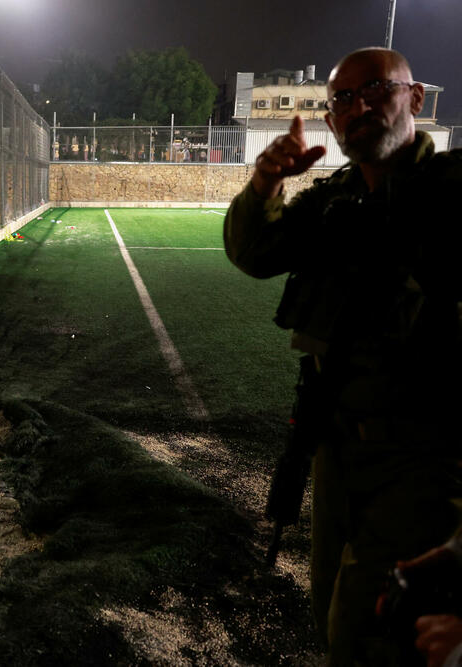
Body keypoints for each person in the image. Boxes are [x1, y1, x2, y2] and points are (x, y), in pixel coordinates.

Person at [223, 47, 462, 665]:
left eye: (375, 89)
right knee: (331, 611)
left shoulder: (452, 194)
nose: (358, 107)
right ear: (330, 122)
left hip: (423, 464)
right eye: (342, 100)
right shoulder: (335, 200)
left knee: (369, 633)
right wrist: (266, 181)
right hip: (336, 453)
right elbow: (254, 253)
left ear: (414, 98)